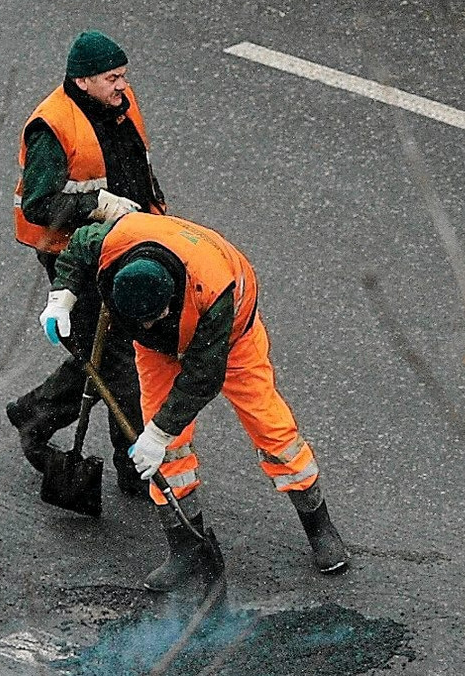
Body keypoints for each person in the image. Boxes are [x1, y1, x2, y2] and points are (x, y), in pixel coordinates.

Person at [40, 212, 349, 591]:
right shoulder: (114, 243)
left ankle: (319, 525)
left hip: (232, 340)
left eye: (157, 317)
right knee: (166, 453)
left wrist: (156, 434)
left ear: (172, 292)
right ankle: (187, 546)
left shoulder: (213, 288)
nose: (151, 324)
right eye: (143, 321)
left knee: (273, 431)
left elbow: (203, 378)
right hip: (158, 353)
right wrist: (61, 297)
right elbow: (80, 244)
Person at [7, 30, 166, 496]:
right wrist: (99, 203)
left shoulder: (118, 103)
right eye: (112, 78)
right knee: (121, 363)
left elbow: (136, 165)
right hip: (74, 258)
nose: (123, 86)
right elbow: (40, 204)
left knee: (105, 354)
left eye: (123, 76)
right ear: (83, 81)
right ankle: (134, 466)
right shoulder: (52, 128)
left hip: (125, 244)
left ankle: (35, 412)